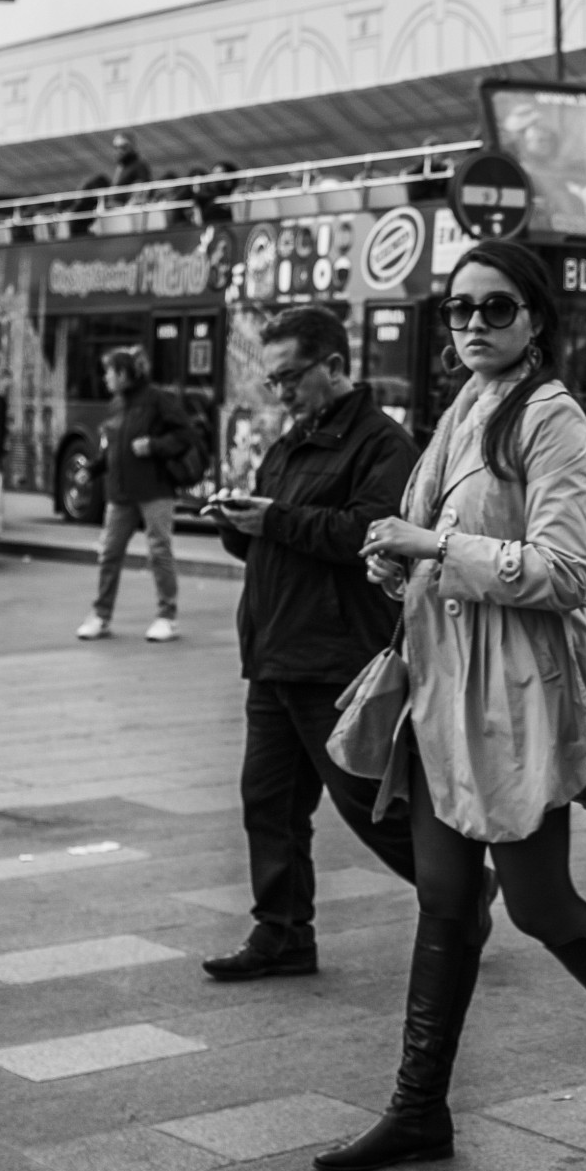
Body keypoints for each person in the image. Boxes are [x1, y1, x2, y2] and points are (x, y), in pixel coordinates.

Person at [317, 240, 586, 1171]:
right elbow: (441, 554)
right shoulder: (465, 409)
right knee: (444, 900)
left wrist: (434, 543)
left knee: (543, 905)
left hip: (513, 698)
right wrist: (398, 562)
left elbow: (566, 571)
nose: (474, 325)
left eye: (496, 308)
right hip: (441, 691)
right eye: (461, 309)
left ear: (536, 320)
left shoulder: (550, 420)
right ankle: (418, 1107)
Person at [203, 307, 423, 981]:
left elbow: (369, 532)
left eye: (291, 376)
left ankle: (462, 893)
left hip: (334, 658)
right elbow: (280, 532)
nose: (282, 392)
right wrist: (239, 522)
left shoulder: (383, 445)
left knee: (369, 807)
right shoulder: (291, 442)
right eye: (272, 382)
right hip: (274, 654)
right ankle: (282, 933)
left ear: (334, 365)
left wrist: (277, 520)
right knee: (267, 801)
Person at [76, 347, 194, 643]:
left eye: (110, 372)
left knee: (159, 551)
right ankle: (101, 615)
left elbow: (186, 435)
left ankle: (167, 616)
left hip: (155, 490)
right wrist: (92, 469)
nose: (105, 378)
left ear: (124, 374)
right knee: (109, 553)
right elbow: (111, 448)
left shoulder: (157, 400)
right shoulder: (117, 405)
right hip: (120, 493)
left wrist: (154, 446)